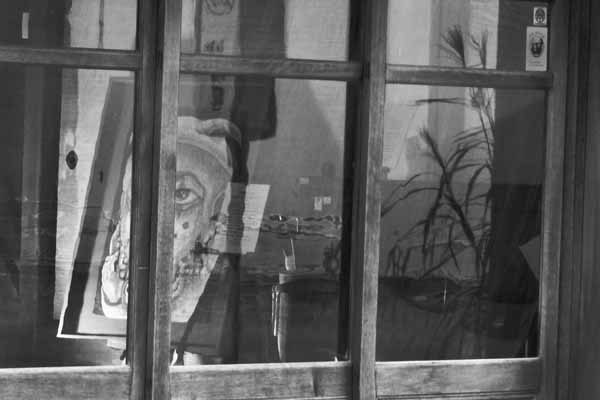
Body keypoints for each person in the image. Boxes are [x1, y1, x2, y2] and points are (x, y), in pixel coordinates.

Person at [100, 116, 243, 363]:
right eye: (140, 193)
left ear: (213, 215)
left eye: (182, 195)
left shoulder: (212, 281)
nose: (153, 217)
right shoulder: (117, 270)